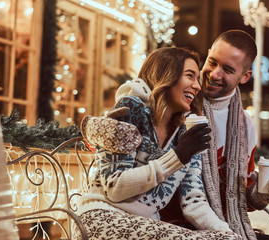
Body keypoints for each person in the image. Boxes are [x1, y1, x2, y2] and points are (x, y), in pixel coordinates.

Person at [75, 47, 243, 239]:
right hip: (102, 218)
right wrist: (178, 156)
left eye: (197, 79)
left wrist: (229, 233)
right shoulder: (130, 110)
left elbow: (194, 202)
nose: (197, 86)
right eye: (190, 76)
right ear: (167, 75)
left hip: (146, 225)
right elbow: (115, 189)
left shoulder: (186, 131)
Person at [160, 30, 269, 240]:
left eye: (227, 69)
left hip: (221, 225)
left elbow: (239, 198)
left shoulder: (245, 125)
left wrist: (262, 196)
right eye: (212, 62)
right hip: (170, 223)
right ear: (207, 54)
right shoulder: (179, 102)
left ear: (245, 76)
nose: (215, 74)